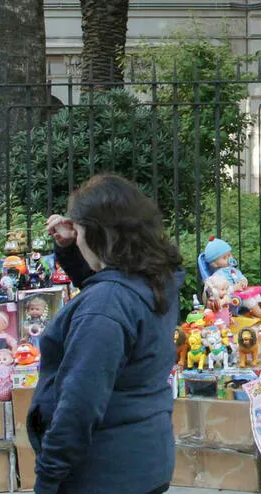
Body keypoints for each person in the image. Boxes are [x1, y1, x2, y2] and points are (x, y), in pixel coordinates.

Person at [29, 174, 185, 494]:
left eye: (82, 231)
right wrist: (71, 249)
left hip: (104, 472)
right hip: (143, 459)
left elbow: (78, 405)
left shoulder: (107, 306)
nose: (80, 238)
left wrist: (48, 479)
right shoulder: (156, 279)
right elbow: (109, 283)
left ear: (98, 234)